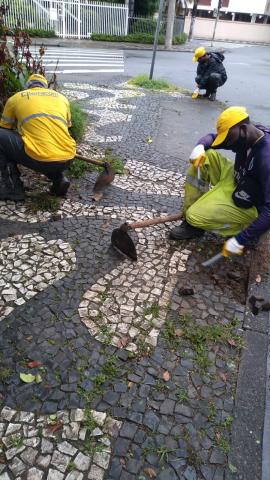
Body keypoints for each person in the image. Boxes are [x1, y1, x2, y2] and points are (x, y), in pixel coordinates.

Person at [170, 106, 270, 257]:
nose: (228, 146)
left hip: (252, 201)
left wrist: (241, 239)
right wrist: (199, 147)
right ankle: (193, 225)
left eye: (229, 140)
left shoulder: (266, 158)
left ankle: (248, 228)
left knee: (194, 215)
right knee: (204, 157)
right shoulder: (250, 132)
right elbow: (212, 138)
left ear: (243, 129)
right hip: (240, 178)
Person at [0, 73, 76, 201]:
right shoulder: (62, 98)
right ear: (45, 87)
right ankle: (59, 179)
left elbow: (6, 128)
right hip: (67, 157)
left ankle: (12, 188)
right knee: (47, 148)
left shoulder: (16, 98)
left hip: (39, 158)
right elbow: (67, 127)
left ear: (28, 87)